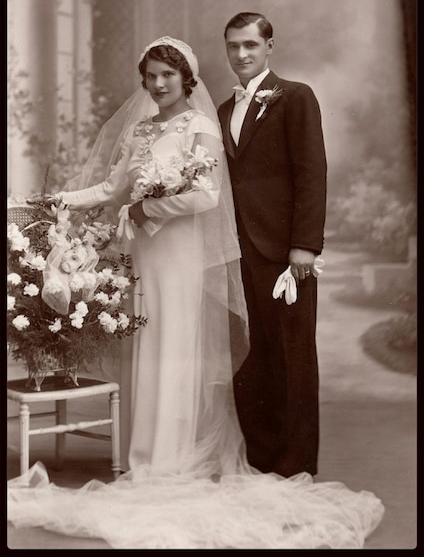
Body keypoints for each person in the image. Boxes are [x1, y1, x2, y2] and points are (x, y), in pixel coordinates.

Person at [8, 37, 384, 549]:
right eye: (151, 76)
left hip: (180, 256)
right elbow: (112, 190)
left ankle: (172, 458)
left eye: (168, 75)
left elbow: (207, 196)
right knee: (145, 343)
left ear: (187, 78)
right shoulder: (141, 130)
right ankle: (145, 456)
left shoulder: (202, 127)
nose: (159, 84)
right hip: (143, 255)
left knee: (174, 347)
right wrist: (53, 199)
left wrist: (150, 210)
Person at [218, 12, 327, 478]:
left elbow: (311, 172)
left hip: (286, 254)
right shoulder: (224, 110)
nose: (241, 54)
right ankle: (264, 456)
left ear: (269, 47)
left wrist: (304, 245)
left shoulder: (296, 97)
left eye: (250, 45)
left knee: (294, 355)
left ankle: (296, 462)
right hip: (241, 250)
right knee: (255, 354)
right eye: (233, 46)